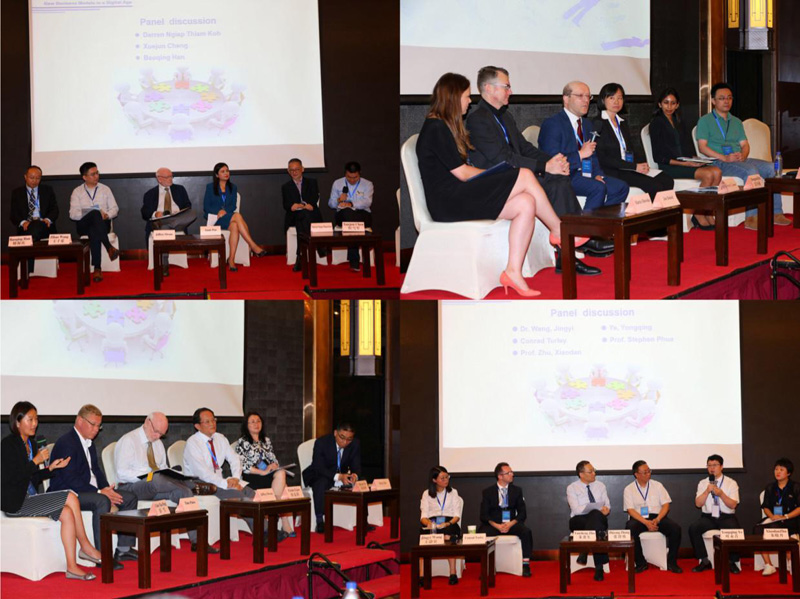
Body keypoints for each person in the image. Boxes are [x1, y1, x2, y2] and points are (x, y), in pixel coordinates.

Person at [416, 72, 584, 298]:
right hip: (448, 202)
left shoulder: (443, 126)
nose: (469, 102)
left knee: (526, 203)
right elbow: (463, 173)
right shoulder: (436, 127)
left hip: (458, 196)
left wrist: (495, 177)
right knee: (524, 175)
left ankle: (513, 272)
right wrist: (493, 176)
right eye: (466, 96)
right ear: (453, 98)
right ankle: (558, 230)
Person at [466, 66, 601, 276]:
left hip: (516, 176)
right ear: (489, 88)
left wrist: (554, 161)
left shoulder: (505, 116)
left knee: (558, 178)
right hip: (495, 182)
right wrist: (545, 167)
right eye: (506, 86)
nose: (510, 91)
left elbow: (525, 148)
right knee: (555, 181)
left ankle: (570, 245)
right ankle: (572, 240)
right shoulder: (478, 119)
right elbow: (503, 158)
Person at [1, 401, 102, 581]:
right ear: (17, 422)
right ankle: (85, 546)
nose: (35, 424)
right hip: (15, 503)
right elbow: (12, 478)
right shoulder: (8, 445)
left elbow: (32, 478)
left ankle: (71, 567)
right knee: (71, 496)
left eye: (36, 419)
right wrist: (35, 461)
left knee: (67, 513)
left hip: (30, 498)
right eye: (30, 419)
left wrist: (51, 469)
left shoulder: (31, 444)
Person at [539, 81, 629, 246]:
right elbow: (551, 160)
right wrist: (580, 155)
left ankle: (602, 229)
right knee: (598, 188)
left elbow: (592, 155)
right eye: (580, 96)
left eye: (588, 96)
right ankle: (584, 234)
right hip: (565, 176)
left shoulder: (587, 124)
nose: (586, 100)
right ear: (566, 99)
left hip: (586, 173)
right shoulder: (553, 124)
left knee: (620, 187)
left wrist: (598, 174)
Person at [49, 404, 138, 567]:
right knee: (101, 501)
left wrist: (107, 490)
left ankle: (124, 549)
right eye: (93, 424)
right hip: (69, 493)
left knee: (130, 498)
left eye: (99, 426)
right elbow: (70, 479)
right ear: (79, 421)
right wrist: (100, 492)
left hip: (90, 490)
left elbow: (96, 470)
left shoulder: (89, 443)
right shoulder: (67, 443)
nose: (96, 429)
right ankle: (102, 556)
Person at [696, 82, 789, 230]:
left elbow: (745, 144)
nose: (726, 101)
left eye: (729, 98)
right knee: (751, 171)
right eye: (721, 98)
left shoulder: (736, 121)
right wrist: (724, 157)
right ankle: (751, 217)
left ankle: (776, 212)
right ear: (713, 101)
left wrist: (744, 155)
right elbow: (702, 147)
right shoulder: (705, 121)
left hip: (738, 159)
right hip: (718, 161)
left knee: (773, 168)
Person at [112, 412, 209, 552]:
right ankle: (193, 484)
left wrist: (168, 473)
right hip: (131, 487)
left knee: (185, 492)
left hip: (157, 487)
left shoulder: (158, 444)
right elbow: (122, 473)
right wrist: (148, 474)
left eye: (161, 434)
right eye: (156, 431)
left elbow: (163, 468)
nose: (157, 436)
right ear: (147, 422)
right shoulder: (128, 440)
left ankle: (197, 541)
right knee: (156, 478)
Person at [594, 83, 675, 239]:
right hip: (613, 170)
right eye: (612, 98)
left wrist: (642, 164)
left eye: (620, 98)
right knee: (654, 186)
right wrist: (633, 166)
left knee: (666, 179)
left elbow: (630, 148)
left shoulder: (622, 122)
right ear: (603, 100)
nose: (616, 102)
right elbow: (603, 158)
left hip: (628, 167)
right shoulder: (598, 124)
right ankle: (653, 228)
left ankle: (661, 222)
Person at [183, 407, 263, 546]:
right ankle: (264, 532)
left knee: (251, 493)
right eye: (207, 421)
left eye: (213, 420)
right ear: (197, 426)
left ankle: (263, 532)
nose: (212, 424)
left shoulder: (220, 438)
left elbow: (235, 459)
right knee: (238, 496)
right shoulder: (193, 443)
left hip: (218, 481)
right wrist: (226, 484)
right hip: (199, 483)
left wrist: (236, 478)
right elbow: (202, 473)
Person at [648, 87, 722, 229]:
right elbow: (658, 157)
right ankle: (698, 213)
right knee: (708, 175)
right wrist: (685, 164)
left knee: (717, 172)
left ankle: (707, 211)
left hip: (684, 162)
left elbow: (687, 148)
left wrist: (696, 159)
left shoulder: (679, 121)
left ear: (677, 105)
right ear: (659, 104)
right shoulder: (656, 124)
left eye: (673, 103)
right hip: (670, 166)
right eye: (666, 102)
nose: (669, 106)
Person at [235, 411, 294, 541]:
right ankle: (280, 519)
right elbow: (242, 465)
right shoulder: (242, 442)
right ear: (246, 425)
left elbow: (273, 458)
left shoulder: (265, 440)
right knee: (283, 483)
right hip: (253, 477)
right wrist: (262, 472)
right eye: (252, 422)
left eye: (258, 421)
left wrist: (274, 465)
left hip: (267, 475)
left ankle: (276, 515)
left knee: (281, 474)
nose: (256, 424)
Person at [203, 162, 266, 272]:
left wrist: (225, 211)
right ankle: (253, 245)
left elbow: (233, 206)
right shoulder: (210, 187)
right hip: (215, 220)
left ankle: (231, 260)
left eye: (227, 171)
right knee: (237, 215)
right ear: (217, 175)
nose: (226, 173)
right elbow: (206, 206)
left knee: (235, 225)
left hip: (228, 217)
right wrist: (218, 212)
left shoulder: (233, 187)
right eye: (223, 171)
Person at [623, 460, 683, 573]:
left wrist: (658, 519)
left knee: (675, 529)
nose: (648, 474)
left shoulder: (658, 485)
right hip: (639, 518)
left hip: (657, 517)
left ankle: (671, 562)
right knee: (630, 529)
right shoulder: (629, 489)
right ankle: (641, 563)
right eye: (644, 472)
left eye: (649, 471)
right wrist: (646, 522)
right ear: (636, 474)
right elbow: (630, 510)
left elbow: (666, 505)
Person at [302, 423, 361, 534]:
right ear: (335, 433)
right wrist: (338, 476)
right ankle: (320, 521)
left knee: (361, 482)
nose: (345, 442)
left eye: (349, 439)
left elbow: (356, 465)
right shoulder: (322, 442)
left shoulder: (354, 444)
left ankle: (363, 520)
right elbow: (318, 467)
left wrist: (355, 475)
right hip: (319, 474)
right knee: (321, 482)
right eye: (342, 437)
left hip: (341, 476)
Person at [689, 454, 742, 573]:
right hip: (709, 517)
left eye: (715, 465)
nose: (712, 468)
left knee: (735, 529)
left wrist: (721, 494)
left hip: (726, 516)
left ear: (721, 467)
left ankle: (732, 562)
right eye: (709, 465)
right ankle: (704, 561)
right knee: (694, 528)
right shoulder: (703, 483)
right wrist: (707, 491)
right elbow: (698, 504)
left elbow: (733, 505)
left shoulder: (731, 483)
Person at [478, 462, 532, 577]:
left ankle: (525, 564)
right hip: (494, 524)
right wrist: (497, 525)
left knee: (526, 532)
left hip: (511, 523)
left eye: (512, 472)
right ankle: (485, 567)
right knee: (481, 533)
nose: (512, 474)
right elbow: (484, 515)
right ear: (500, 476)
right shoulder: (488, 492)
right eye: (509, 473)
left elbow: (522, 513)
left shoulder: (517, 490)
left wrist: (511, 523)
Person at [68, 162, 119, 282]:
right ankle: (108, 247)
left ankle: (97, 268)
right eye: (93, 174)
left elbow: (115, 209)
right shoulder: (77, 192)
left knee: (94, 230)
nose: (96, 176)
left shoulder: (105, 189)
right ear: (84, 177)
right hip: (83, 224)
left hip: (103, 223)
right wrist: (88, 212)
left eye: (97, 173)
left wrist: (107, 215)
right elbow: (72, 214)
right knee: (95, 213)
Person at [142, 167, 197, 276]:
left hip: (178, 221)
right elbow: (144, 212)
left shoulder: (180, 189)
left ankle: (169, 221)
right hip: (160, 221)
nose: (171, 179)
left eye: (171, 176)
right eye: (167, 177)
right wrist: (155, 214)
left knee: (193, 213)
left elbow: (188, 206)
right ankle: (164, 264)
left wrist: (179, 212)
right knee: (164, 228)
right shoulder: (150, 193)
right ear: (159, 179)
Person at [754, 458, 800, 576]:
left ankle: (790, 561)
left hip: (791, 519)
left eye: (781, 469)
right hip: (775, 519)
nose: (777, 472)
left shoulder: (796, 487)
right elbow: (765, 507)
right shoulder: (770, 487)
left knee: (779, 528)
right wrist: (772, 516)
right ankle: (768, 565)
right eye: (776, 469)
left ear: (788, 473)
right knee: (757, 529)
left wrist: (785, 516)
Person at [566, 460, 610, 581]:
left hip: (598, 518)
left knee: (595, 517)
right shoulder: (572, 488)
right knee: (597, 527)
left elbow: (607, 505)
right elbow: (576, 510)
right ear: (581, 474)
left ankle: (584, 550)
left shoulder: (600, 486)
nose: (594, 473)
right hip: (578, 521)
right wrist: (592, 508)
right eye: (590, 472)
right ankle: (599, 567)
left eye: (594, 470)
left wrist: (606, 509)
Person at [419, 466, 463, 585]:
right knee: (423, 537)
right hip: (432, 522)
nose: (446, 480)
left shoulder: (453, 492)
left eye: (447, 477)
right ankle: (422, 574)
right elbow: (423, 516)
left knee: (449, 535)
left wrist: (447, 523)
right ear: (434, 480)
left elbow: (457, 515)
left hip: (449, 522)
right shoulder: (426, 494)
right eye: (442, 478)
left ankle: (452, 573)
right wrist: (430, 524)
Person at [327, 161, 374, 271]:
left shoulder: (367, 184)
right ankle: (358, 254)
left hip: (362, 214)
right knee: (348, 214)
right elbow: (331, 204)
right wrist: (339, 200)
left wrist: (351, 204)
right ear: (345, 173)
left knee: (351, 219)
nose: (352, 180)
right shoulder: (337, 183)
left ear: (360, 174)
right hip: (343, 215)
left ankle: (354, 259)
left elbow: (367, 202)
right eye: (349, 177)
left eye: (355, 177)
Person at [282, 158, 326, 272]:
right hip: (294, 216)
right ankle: (319, 248)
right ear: (288, 171)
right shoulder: (286, 186)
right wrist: (292, 206)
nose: (294, 172)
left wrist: (305, 205)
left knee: (304, 217)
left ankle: (300, 256)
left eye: (297, 169)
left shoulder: (312, 182)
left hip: (309, 214)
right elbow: (286, 204)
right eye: (291, 170)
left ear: (302, 169)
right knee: (302, 216)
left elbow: (314, 198)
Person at [10, 165, 59, 240]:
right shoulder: (17, 193)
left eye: (38, 178)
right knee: (34, 228)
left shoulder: (47, 190)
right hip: (26, 226)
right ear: (25, 177)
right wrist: (23, 222)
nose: (34, 180)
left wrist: (47, 219)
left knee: (37, 227)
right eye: (32, 178)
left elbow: (54, 209)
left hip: (44, 224)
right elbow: (14, 214)